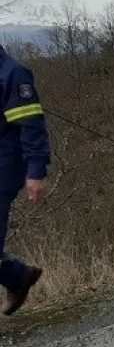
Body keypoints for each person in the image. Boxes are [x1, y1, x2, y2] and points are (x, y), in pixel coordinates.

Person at [0, 43, 49, 315]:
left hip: (5, 167)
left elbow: (31, 126)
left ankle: (17, 277)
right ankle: (17, 276)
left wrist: (36, 171)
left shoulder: (12, 74)